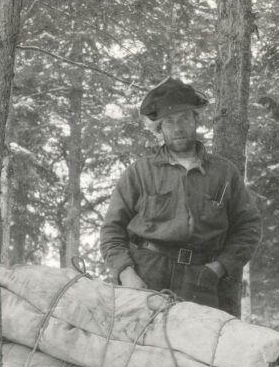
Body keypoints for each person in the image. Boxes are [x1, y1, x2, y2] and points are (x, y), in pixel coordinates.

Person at [100, 77, 261, 316]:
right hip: (146, 274)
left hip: (200, 280)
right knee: (138, 350)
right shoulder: (140, 172)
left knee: (196, 350)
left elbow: (248, 228)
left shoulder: (224, 173)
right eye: (169, 122)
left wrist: (217, 269)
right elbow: (111, 230)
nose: (178, 128)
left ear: (196, 119)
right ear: (160, 128)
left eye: (184, 118)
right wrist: (127, 274)